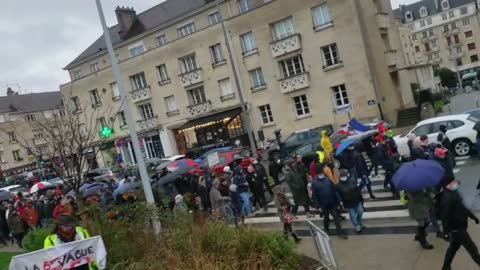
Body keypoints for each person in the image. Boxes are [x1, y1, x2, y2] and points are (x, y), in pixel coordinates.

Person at [441, 180, 480, 270]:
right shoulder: (448, 197)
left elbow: (463, 208)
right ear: (448, 185)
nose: (456, 185)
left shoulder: (454, 193)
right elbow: (445, 216)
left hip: (460, 226)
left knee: (453, 248)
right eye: (454, 183)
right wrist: (445, 232)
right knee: (472, 248)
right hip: (457, 228)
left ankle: (445, 267)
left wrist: (473, 217)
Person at [311, 164, 347, 239]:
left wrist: (339, 200)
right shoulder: (314, 183)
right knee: (326, 218)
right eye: (320, 172)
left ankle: (339, 232)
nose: (322, 174)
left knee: (336, 217)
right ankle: (326, 230)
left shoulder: (328, 180)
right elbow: (315, 196)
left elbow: (334, 191)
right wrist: (318, 206)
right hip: (323, 205)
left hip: (332, 203)